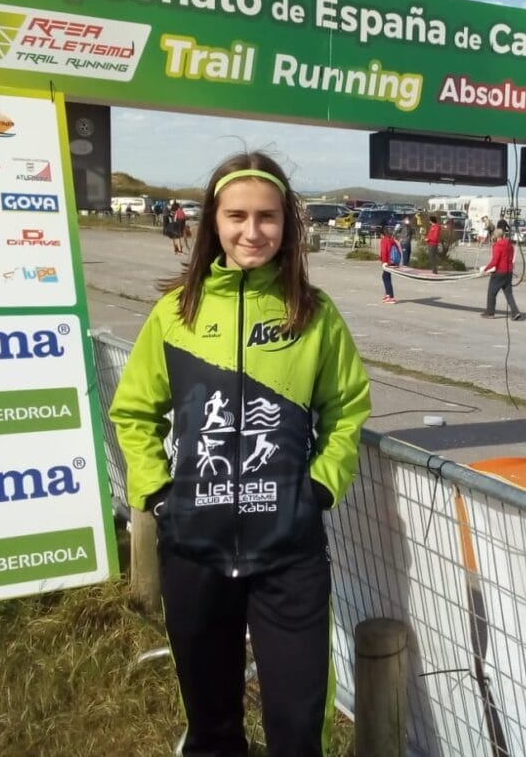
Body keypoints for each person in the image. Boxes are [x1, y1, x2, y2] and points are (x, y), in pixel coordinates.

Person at [110, 152, 371, 757]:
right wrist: (157, 494)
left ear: (288, 224)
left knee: (297, 731)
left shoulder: (313, 313)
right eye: (237, 216)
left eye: (267, 217)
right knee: (212, 730)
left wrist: (319, 489)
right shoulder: (176, 312)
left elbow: (346, 409)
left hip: (288, 553)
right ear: (213, 221)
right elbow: (134, 411)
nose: (253, 231)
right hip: (194, 550)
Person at [480, 225, 523, 320]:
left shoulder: (497, 246)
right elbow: (511, 258)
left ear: (495, 236)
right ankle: (515, 312)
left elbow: (495, 260)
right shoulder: (510, 245)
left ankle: (490, 313)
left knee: (492, 292)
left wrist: (486, 269)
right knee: (509, 294)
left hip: (499, 272)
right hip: (509, 272)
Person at [377, 225, 400, 303]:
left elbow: (384, 252)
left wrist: (384, 262)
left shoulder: (384, 240)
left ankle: (390, 297)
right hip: (394, 261)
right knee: (386, 276)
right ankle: (388, 295)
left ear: (382, 234)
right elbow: (398, 250)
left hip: (388, 262)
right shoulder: (392, 240)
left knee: (386, 277)